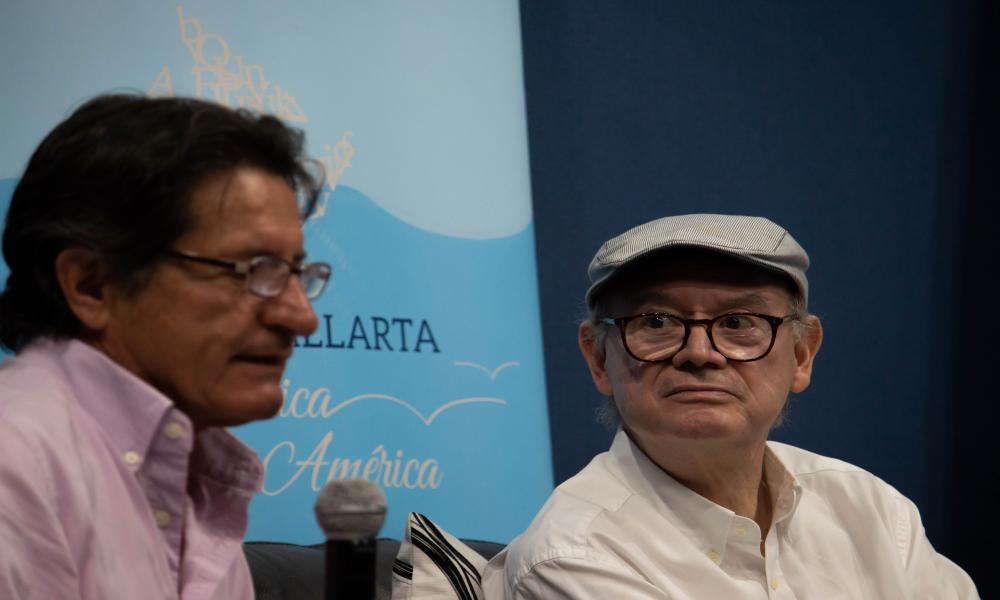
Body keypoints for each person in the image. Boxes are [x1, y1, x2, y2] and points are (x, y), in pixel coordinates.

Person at [483, 214, 978, 598]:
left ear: (802, 355)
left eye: (740, 322)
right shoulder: (573, 555)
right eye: (656, 321)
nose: (699, 353)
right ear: (597, 358)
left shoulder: (870, 510)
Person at [0, 94, 331, 599]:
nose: (301, 317)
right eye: (252, 270)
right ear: (92, 285)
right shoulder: (17, 465)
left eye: (295, 274)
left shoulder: (198, 492)